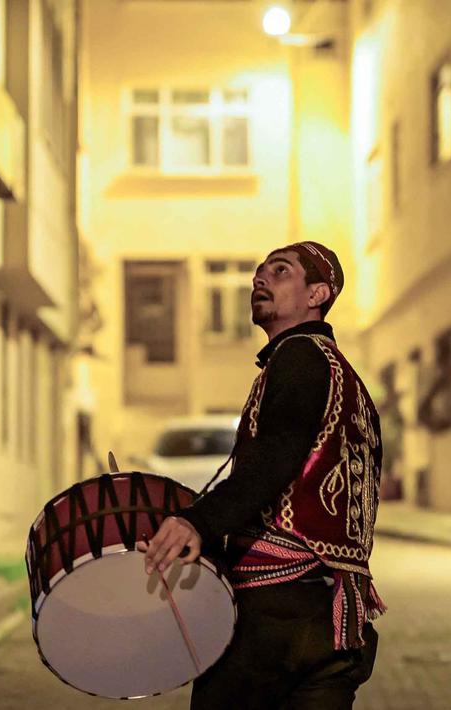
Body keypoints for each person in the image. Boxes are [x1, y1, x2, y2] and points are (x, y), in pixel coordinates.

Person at [138, 241, 385, 709]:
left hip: (276, 616)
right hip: (334, 621)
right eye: (258, 272)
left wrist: (197, 522)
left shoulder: (300, 357)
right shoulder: (344, 375)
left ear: (317, 293)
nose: (259, 279)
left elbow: (275, 458)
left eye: (279, 271)